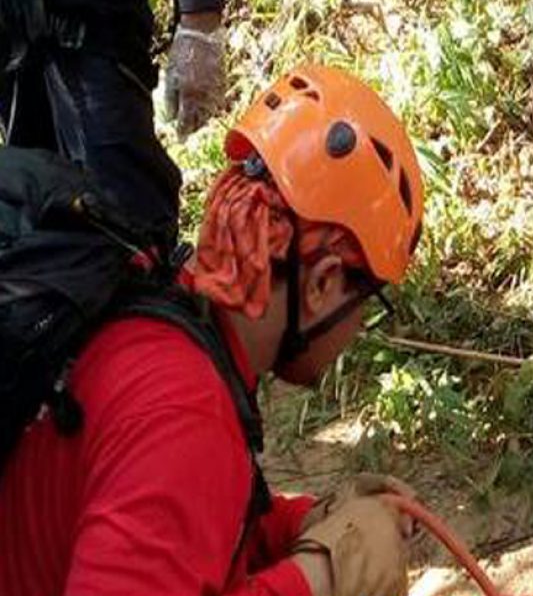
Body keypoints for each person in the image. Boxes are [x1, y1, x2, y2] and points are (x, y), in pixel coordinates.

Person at [0, 64, 425, 596]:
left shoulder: (161, 305)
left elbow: (181, 525)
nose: (359, 326)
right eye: (366, 299)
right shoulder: (185, 416)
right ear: (322, 283)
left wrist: (306, 524)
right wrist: (320, 576)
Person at [0, 0, 229, 252]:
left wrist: (199, 23)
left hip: (96, 35)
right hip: (14, 51)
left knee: (128, 220)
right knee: (38, 233)